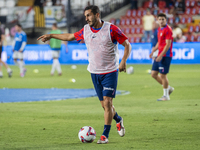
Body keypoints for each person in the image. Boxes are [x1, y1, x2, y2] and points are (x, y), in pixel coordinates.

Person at [38, 5, 131, 144]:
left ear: (97, 15)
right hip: (94, 72)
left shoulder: (111, 29)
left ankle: (105, 135)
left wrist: (123, 60)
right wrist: (51, 36)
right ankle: (118, 119)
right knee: (105, 106)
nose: (86, 18)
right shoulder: (86, 30)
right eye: (85, 16)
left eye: (89, 15)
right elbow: (70, 36)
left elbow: (127, 45)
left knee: (108, 102)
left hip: (110, 71)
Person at [149, 13, 174, 101]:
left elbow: (168, 45)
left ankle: (166, 96)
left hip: (165, 55)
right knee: (153, 74)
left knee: (163, 75)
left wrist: (160, 55)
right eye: (159, 19)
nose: (161, 21)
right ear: (157, 20)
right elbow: (159, 42)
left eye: (163, 19)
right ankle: (169, 88)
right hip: (159, 54)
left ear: (166, 20)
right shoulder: (159, 29)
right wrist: (153, 51)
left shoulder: (168, 29)